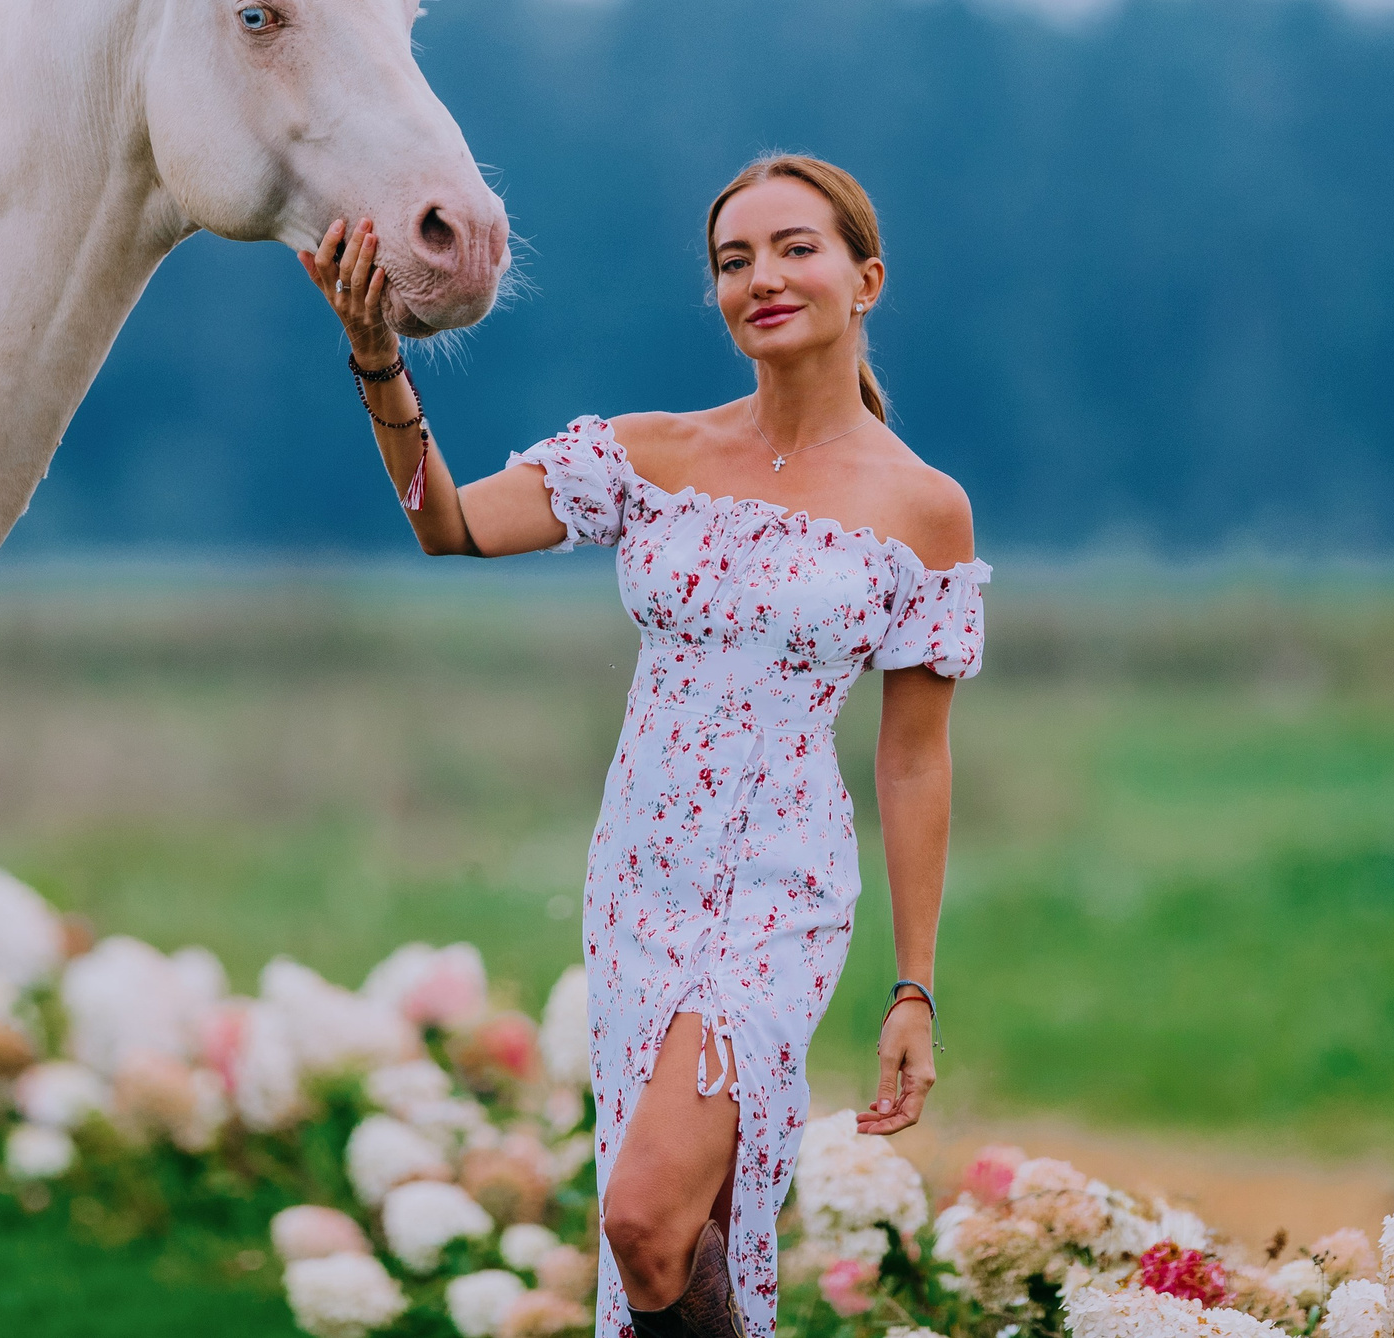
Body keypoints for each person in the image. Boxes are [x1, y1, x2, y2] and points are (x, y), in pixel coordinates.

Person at [300, 153, 986, 1338]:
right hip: (638, 882)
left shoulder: (922, 508)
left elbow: (914, 757)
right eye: (733, 260)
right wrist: (377, 356)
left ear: (864, 277)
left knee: (640, 1217)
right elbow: (446, 522)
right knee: (675, 1238)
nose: (761, 277)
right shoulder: (651, 453)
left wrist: (912, 986)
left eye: (794, 248)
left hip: (777, 891)